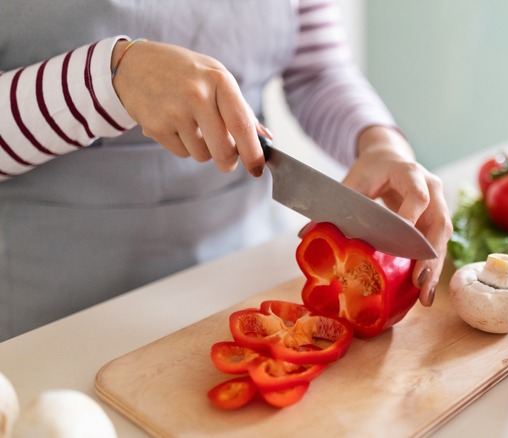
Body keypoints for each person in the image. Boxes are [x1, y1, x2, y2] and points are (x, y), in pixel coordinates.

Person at [0, 0, 452, 341]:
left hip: (240, 277)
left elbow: (317, 70)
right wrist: (106, 78)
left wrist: (379, 142)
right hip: (46, 318)